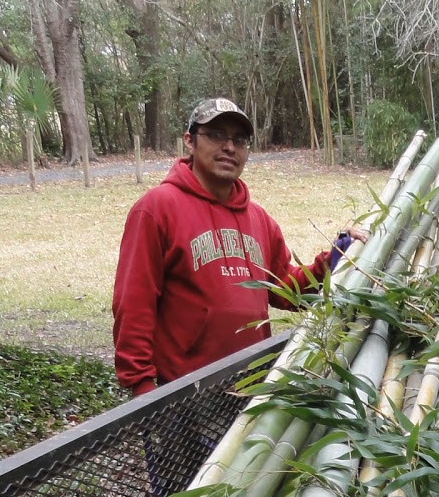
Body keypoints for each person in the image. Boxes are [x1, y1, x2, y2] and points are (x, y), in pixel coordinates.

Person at [113, 97, 367, 395]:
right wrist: (143, 389)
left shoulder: (259, 220)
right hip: (183, 392)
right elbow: (133, 305)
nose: (229, 147)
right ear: (189, 142)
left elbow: (286, 290)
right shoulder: (157, 209)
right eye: (216, 135)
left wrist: (334, 258)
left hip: (252, 385)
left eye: (239, 140)